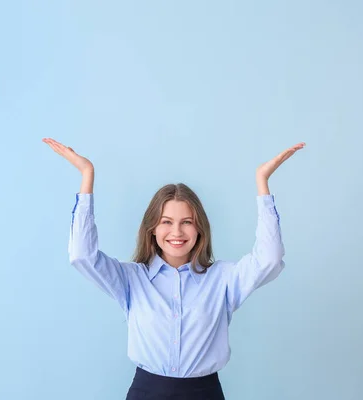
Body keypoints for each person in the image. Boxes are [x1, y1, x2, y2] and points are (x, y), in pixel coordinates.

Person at [43, 138, 305, 399]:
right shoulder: (131, 279)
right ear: (152, 229)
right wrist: (87, 175)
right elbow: (82, 255)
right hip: (147, 392)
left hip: (204, 393)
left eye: (187, 222)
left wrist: (262, 182)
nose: (176, 232)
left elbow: (269, 258)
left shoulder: (223, 279)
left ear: (199, 228)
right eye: (166, 222)